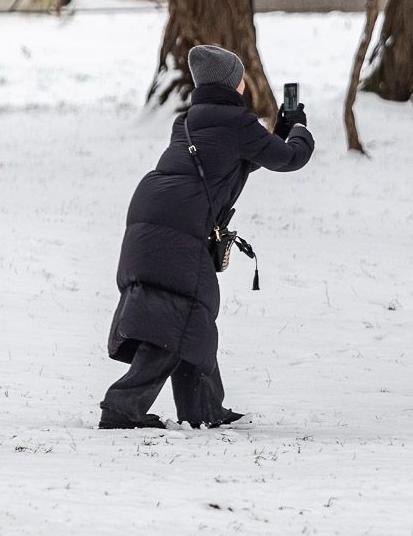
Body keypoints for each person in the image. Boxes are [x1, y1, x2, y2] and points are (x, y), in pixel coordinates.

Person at [99, 45, 313, 430]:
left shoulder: (187, 121)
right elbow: (288, 158)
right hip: (177, 229)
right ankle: (122, 406)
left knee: (190, 316)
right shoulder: (236, 123)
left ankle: (203, 411)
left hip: (152, 218)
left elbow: (246, 157)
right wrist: (300, 130)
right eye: (242, 75)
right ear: (233, 82)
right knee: (177, 319)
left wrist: (280, 128)